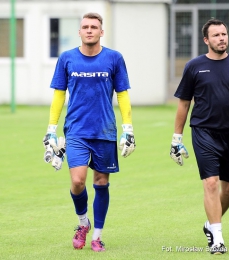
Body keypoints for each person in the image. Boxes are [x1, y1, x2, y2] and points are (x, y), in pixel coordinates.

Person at [42, 12, 136, 252]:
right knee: (77, 181)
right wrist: (51, 129)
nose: (90, 30)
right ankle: (83, 223)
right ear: (80, 32)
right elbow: (59, 95)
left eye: (94, 27)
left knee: (101, 183)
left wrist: (128, 128)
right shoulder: (67, 58)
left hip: (105, 131)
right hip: (76, 131)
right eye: (85, 27)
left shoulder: (114, 59)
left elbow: (123, 94)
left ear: (101, 32)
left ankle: (97, 236)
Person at [170, 18, 229, 255]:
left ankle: (211, 224)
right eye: (217, 35)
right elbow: (184, 103)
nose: (222, 38)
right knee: (210, 183)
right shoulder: (194, 66)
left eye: (224, 34)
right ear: (206, 40)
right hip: (203, 131)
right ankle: (217, 239)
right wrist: (176, 139)